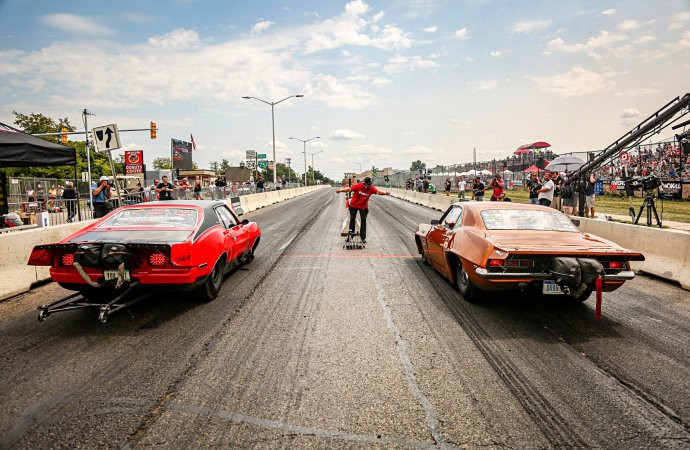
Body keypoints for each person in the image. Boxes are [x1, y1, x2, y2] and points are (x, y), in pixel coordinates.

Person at [335, 177, 390, 244]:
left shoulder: (371, 188)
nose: (369, 185)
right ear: (364, 183)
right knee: (352, 220)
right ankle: (350, 236)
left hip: (363, 206)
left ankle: (363, 238)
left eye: (370, 184)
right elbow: (349, 189)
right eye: (368, 184)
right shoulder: (358, 186)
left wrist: (385, 193)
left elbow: (378, 192)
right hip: (354, 205)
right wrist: (340, 190)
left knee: (363, 221)